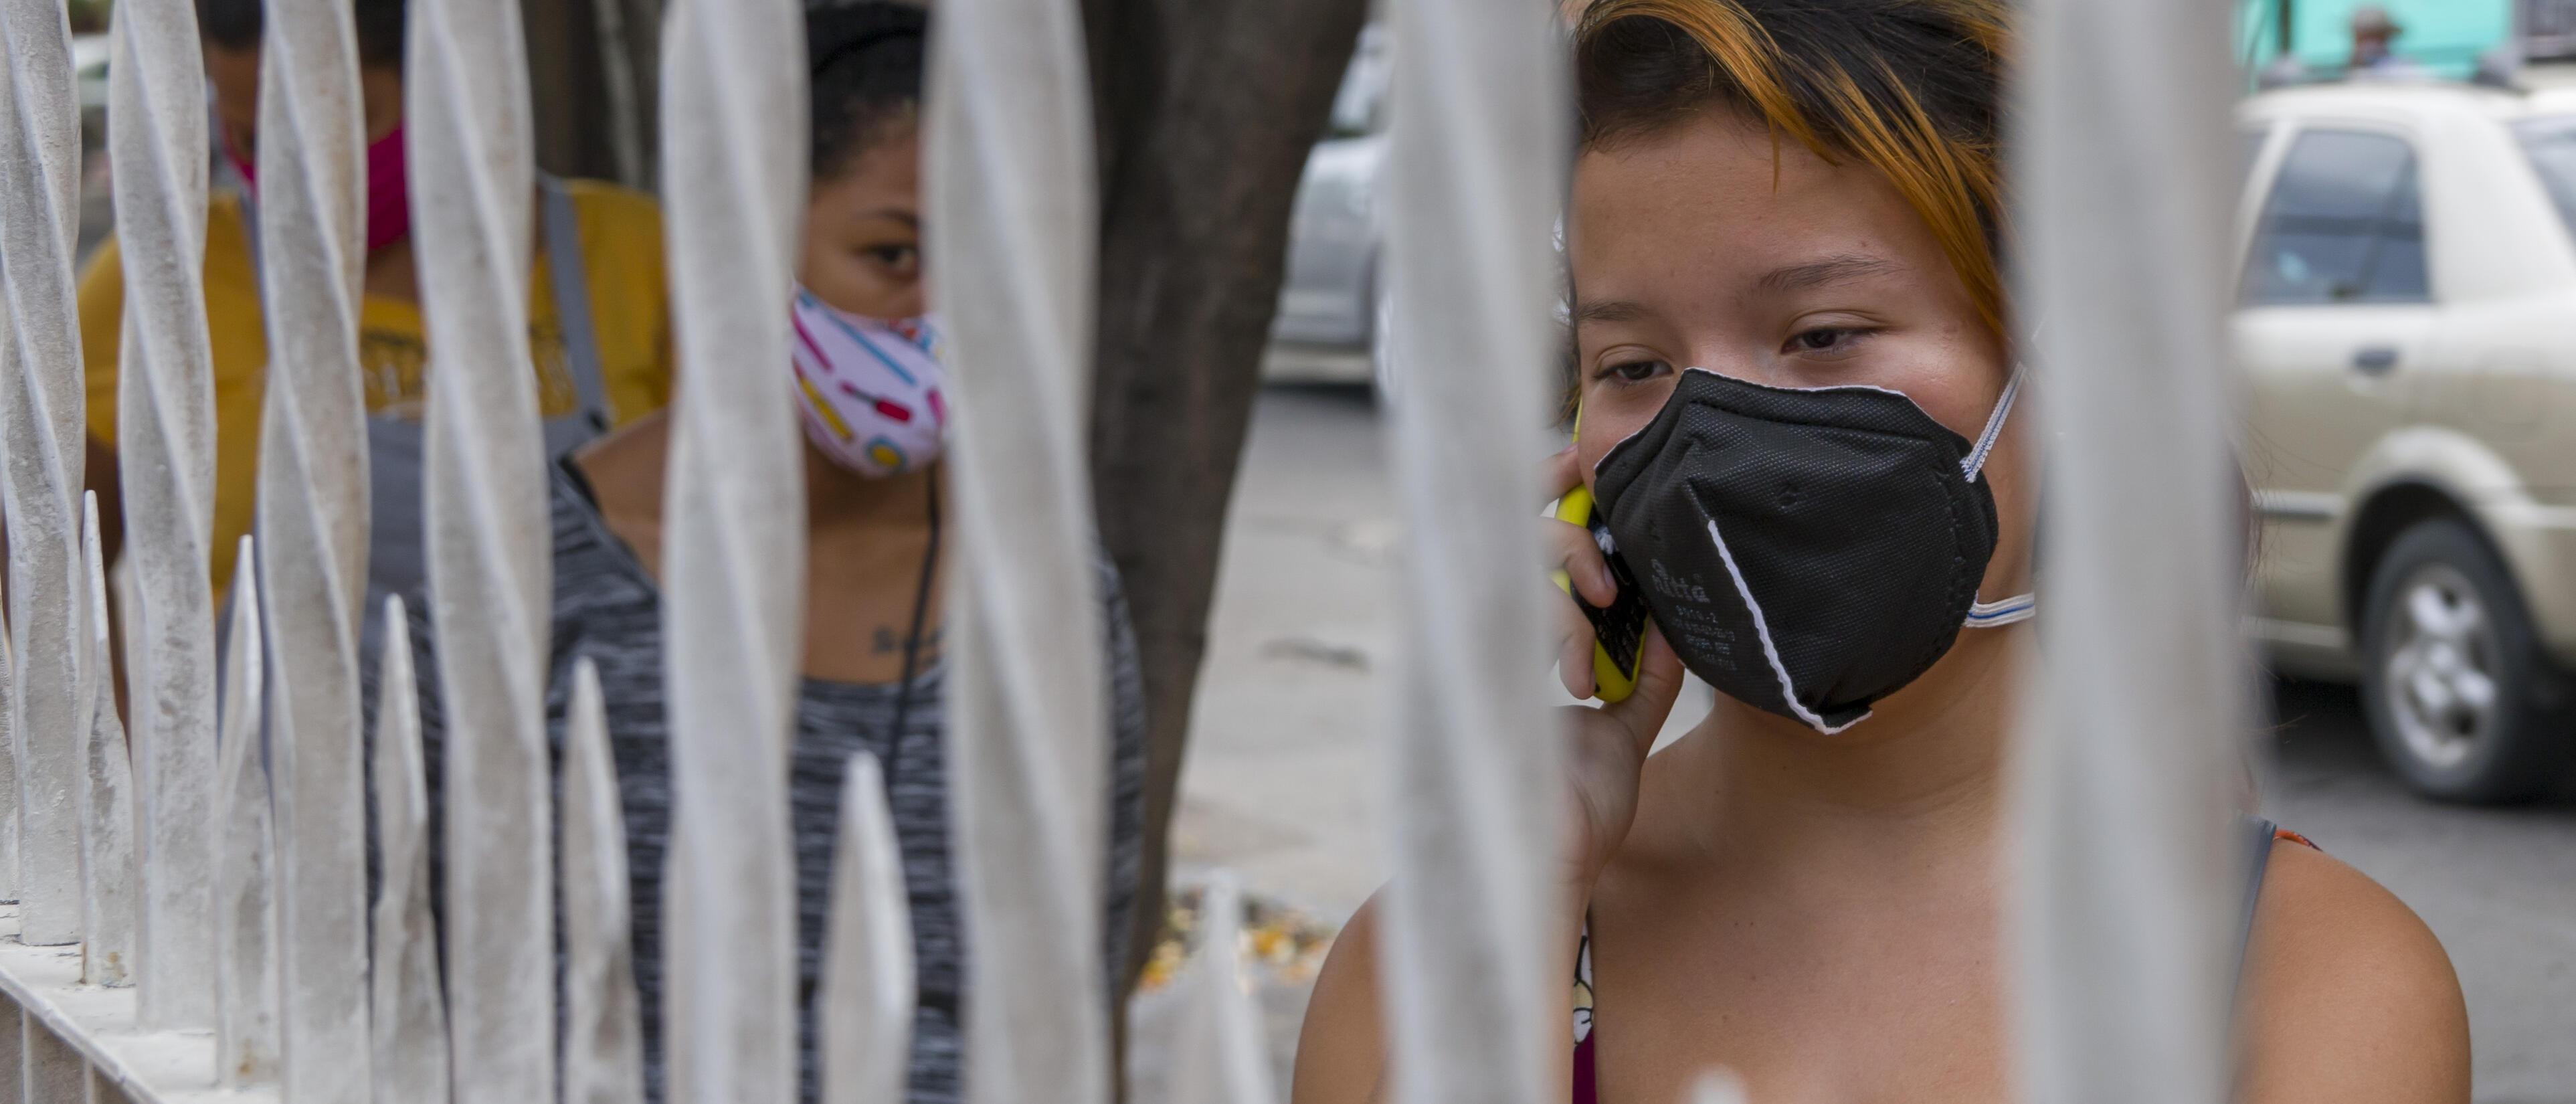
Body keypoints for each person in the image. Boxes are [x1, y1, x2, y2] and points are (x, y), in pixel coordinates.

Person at [1290, 3, 2472, 1103]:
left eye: (1821, 333)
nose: (1707, 435)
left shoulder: (2307, 985)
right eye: (1634, 365)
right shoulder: (1429, 965)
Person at [400, 5, 1147, 1103]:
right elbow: (422, 985)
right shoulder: (537, 574)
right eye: (894, 254)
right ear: (742, 232)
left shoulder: (1052, 600)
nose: (942, 314)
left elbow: (1065, 995)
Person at [76, 0, 674, 621]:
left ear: (447, 79)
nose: (296, 170)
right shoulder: (168, 271)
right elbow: (45, 547)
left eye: (337, 127)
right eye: (253, 136)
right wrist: (115, 709)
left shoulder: (633, 250)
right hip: (278, 720)